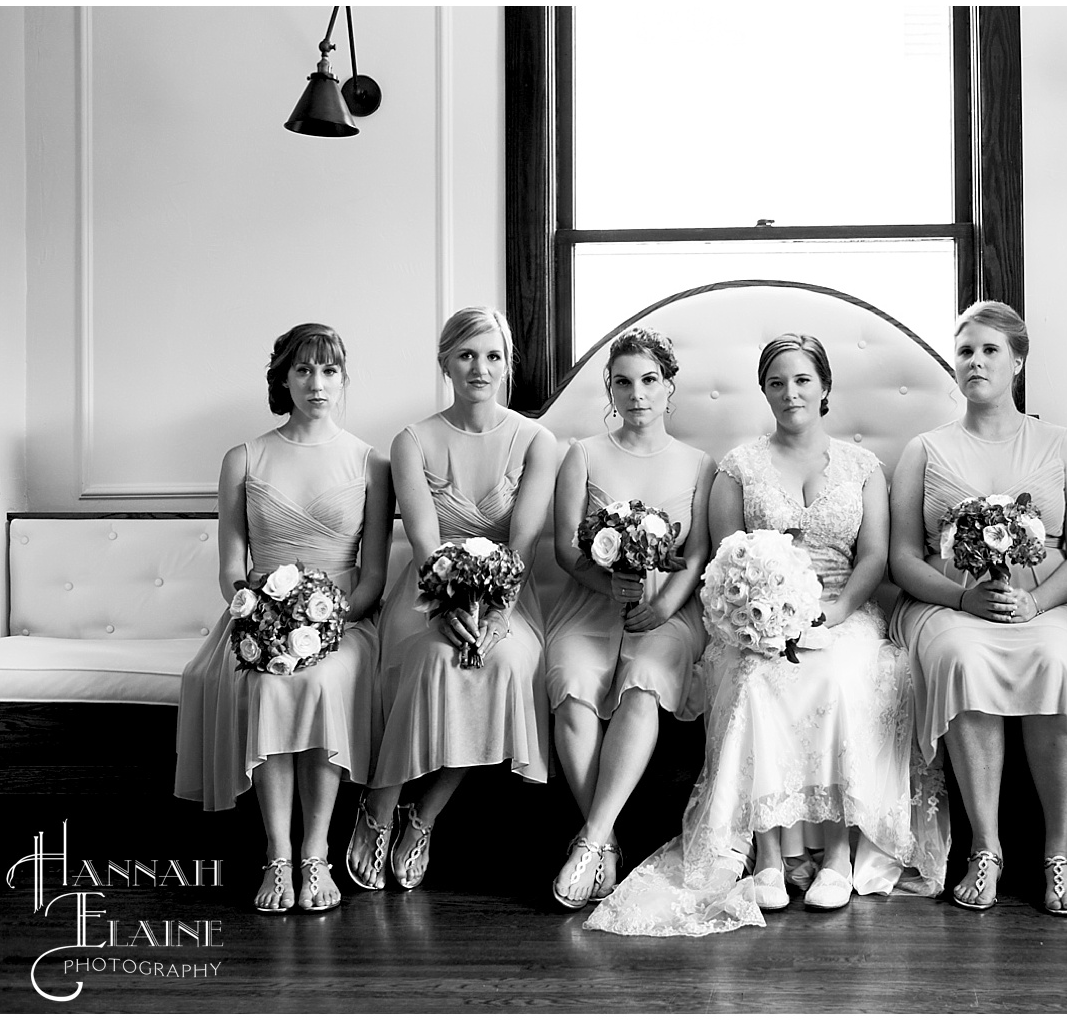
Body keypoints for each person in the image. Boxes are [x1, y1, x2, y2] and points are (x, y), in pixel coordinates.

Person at [585, 333, 948, 936]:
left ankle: (836, 853)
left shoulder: (863, 468)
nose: (790, 392)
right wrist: (761, 616)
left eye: (803, 380)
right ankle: (772, 856)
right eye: (777, 382)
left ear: (825, 386)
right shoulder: (738, 467)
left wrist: (834, 613)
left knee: (835, 674)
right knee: (758, 679)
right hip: (754, 620)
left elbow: (875, 559)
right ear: (764, 391)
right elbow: (724, 558)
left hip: (842, 610)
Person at [889, 301, 1067, 915]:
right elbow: (902, 559)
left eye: (989, 349)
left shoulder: (1062, 444)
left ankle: (1060, 851)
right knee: (960, 656)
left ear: (1017, 361)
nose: (975, 360)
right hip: (948, 605)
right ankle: (986, 847)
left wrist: (1036, 600)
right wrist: (962, 597)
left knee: (1057, 658)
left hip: (1049, 603)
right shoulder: (925, 450)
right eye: (965, 350)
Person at [175, 323, 393, 913]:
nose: (316, 383)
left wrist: (329, 625)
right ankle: (277, 854)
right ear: (283, 379)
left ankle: (316, 852)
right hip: (259, 618)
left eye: (329, 371)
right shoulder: (243, 458)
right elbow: (229, 567)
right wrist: (258, 614)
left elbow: (373, 574)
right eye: (303, 370)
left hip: (346, 619)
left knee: (320, 682)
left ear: (344, 380)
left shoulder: (372, 463)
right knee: (271, 683)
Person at [345, 306, 558, 892]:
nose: (480, 368)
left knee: (503, 663)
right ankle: (380, 804)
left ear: (508, 363)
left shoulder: (537, 441)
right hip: (426, 594)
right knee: (435, 659)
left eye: (492, 356)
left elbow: (521, 545)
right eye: (466, 355)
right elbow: (424, 545)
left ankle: (425, 814)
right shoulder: (412, 441)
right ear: (445, 362)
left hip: (509, 599)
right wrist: (449, 610)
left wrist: (495, 615)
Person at [545, 326, 715, 910]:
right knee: (571, 686)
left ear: (669, 388)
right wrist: (605, 579)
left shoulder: (699, 463)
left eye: (649, 381)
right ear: (610, 391)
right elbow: (566, 549)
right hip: (591, 603)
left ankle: (588, 839)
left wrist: (665, 604)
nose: (637, 393)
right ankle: (606, 842)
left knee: (644, 683)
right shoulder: (583, 454)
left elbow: (697, 555)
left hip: (668, 606)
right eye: (623, 382)